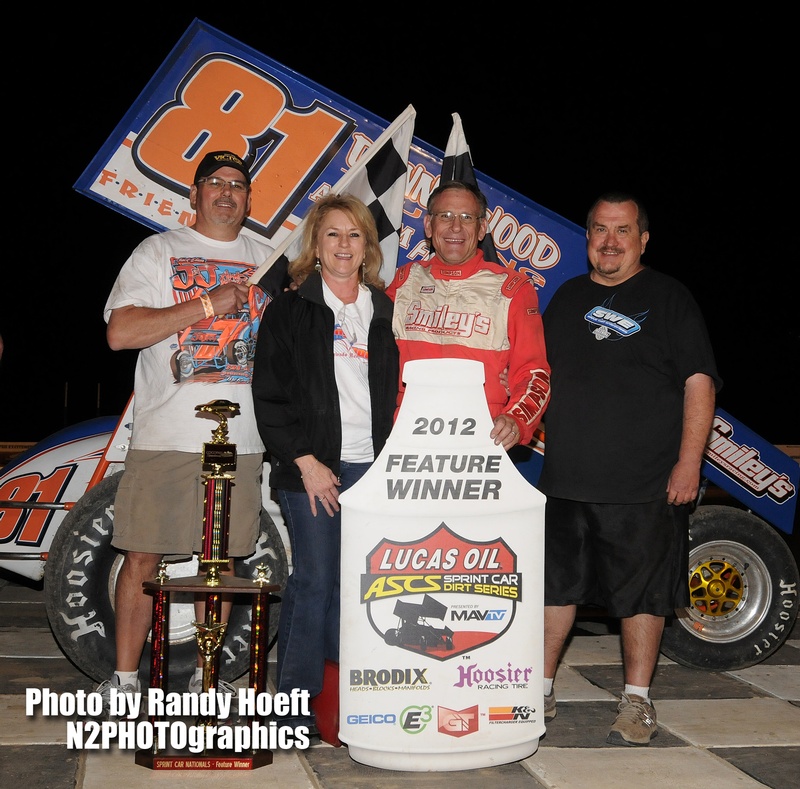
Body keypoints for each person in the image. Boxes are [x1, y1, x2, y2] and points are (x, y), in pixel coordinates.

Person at [539, 192, 722, 745]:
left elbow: (699, 382)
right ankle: (538, 690)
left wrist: (689, 462)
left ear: (643, 239)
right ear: (588, 236)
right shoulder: (566, 298)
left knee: (642, 597)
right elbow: (537, 380)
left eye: (622, 231)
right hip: (566, 481)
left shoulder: (669, 298)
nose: (610, 241)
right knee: (554, 591)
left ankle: (636, 702)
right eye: (600, 229)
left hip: (645, 484)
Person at [99, 150, 275, 711]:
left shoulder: (268, 262)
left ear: (251, 201)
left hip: (243, 441)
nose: (227, 192)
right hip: (167, 438)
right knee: (142, 556)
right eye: (214, 183)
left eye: (238, 185)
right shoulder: (158, 251)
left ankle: (205, 680)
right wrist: (205, 304)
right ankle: (124, 681)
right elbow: (121, 332)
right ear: (193, 196)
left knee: (217, 564)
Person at [251, 192, 399, 740]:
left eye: (354, 234)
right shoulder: (290, 310)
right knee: (314, 580)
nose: (343, 244)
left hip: (373, 468)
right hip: (314, 467)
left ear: (367, 246)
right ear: (316, 245)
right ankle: (287, 711)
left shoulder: (384, 308)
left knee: (354, 588)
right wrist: (306, 461)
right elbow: (270, 396)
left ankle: (340, 707)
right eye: (332, 234)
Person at [387, 179, 550, 450]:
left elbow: (534, 373)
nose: (455, 227)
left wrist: (516, 419)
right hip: (407, 438)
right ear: (428, 225)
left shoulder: (513, 289)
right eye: (445, 216)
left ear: (482, 228)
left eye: (466, 217)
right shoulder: (402, 282)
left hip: (482, 442)